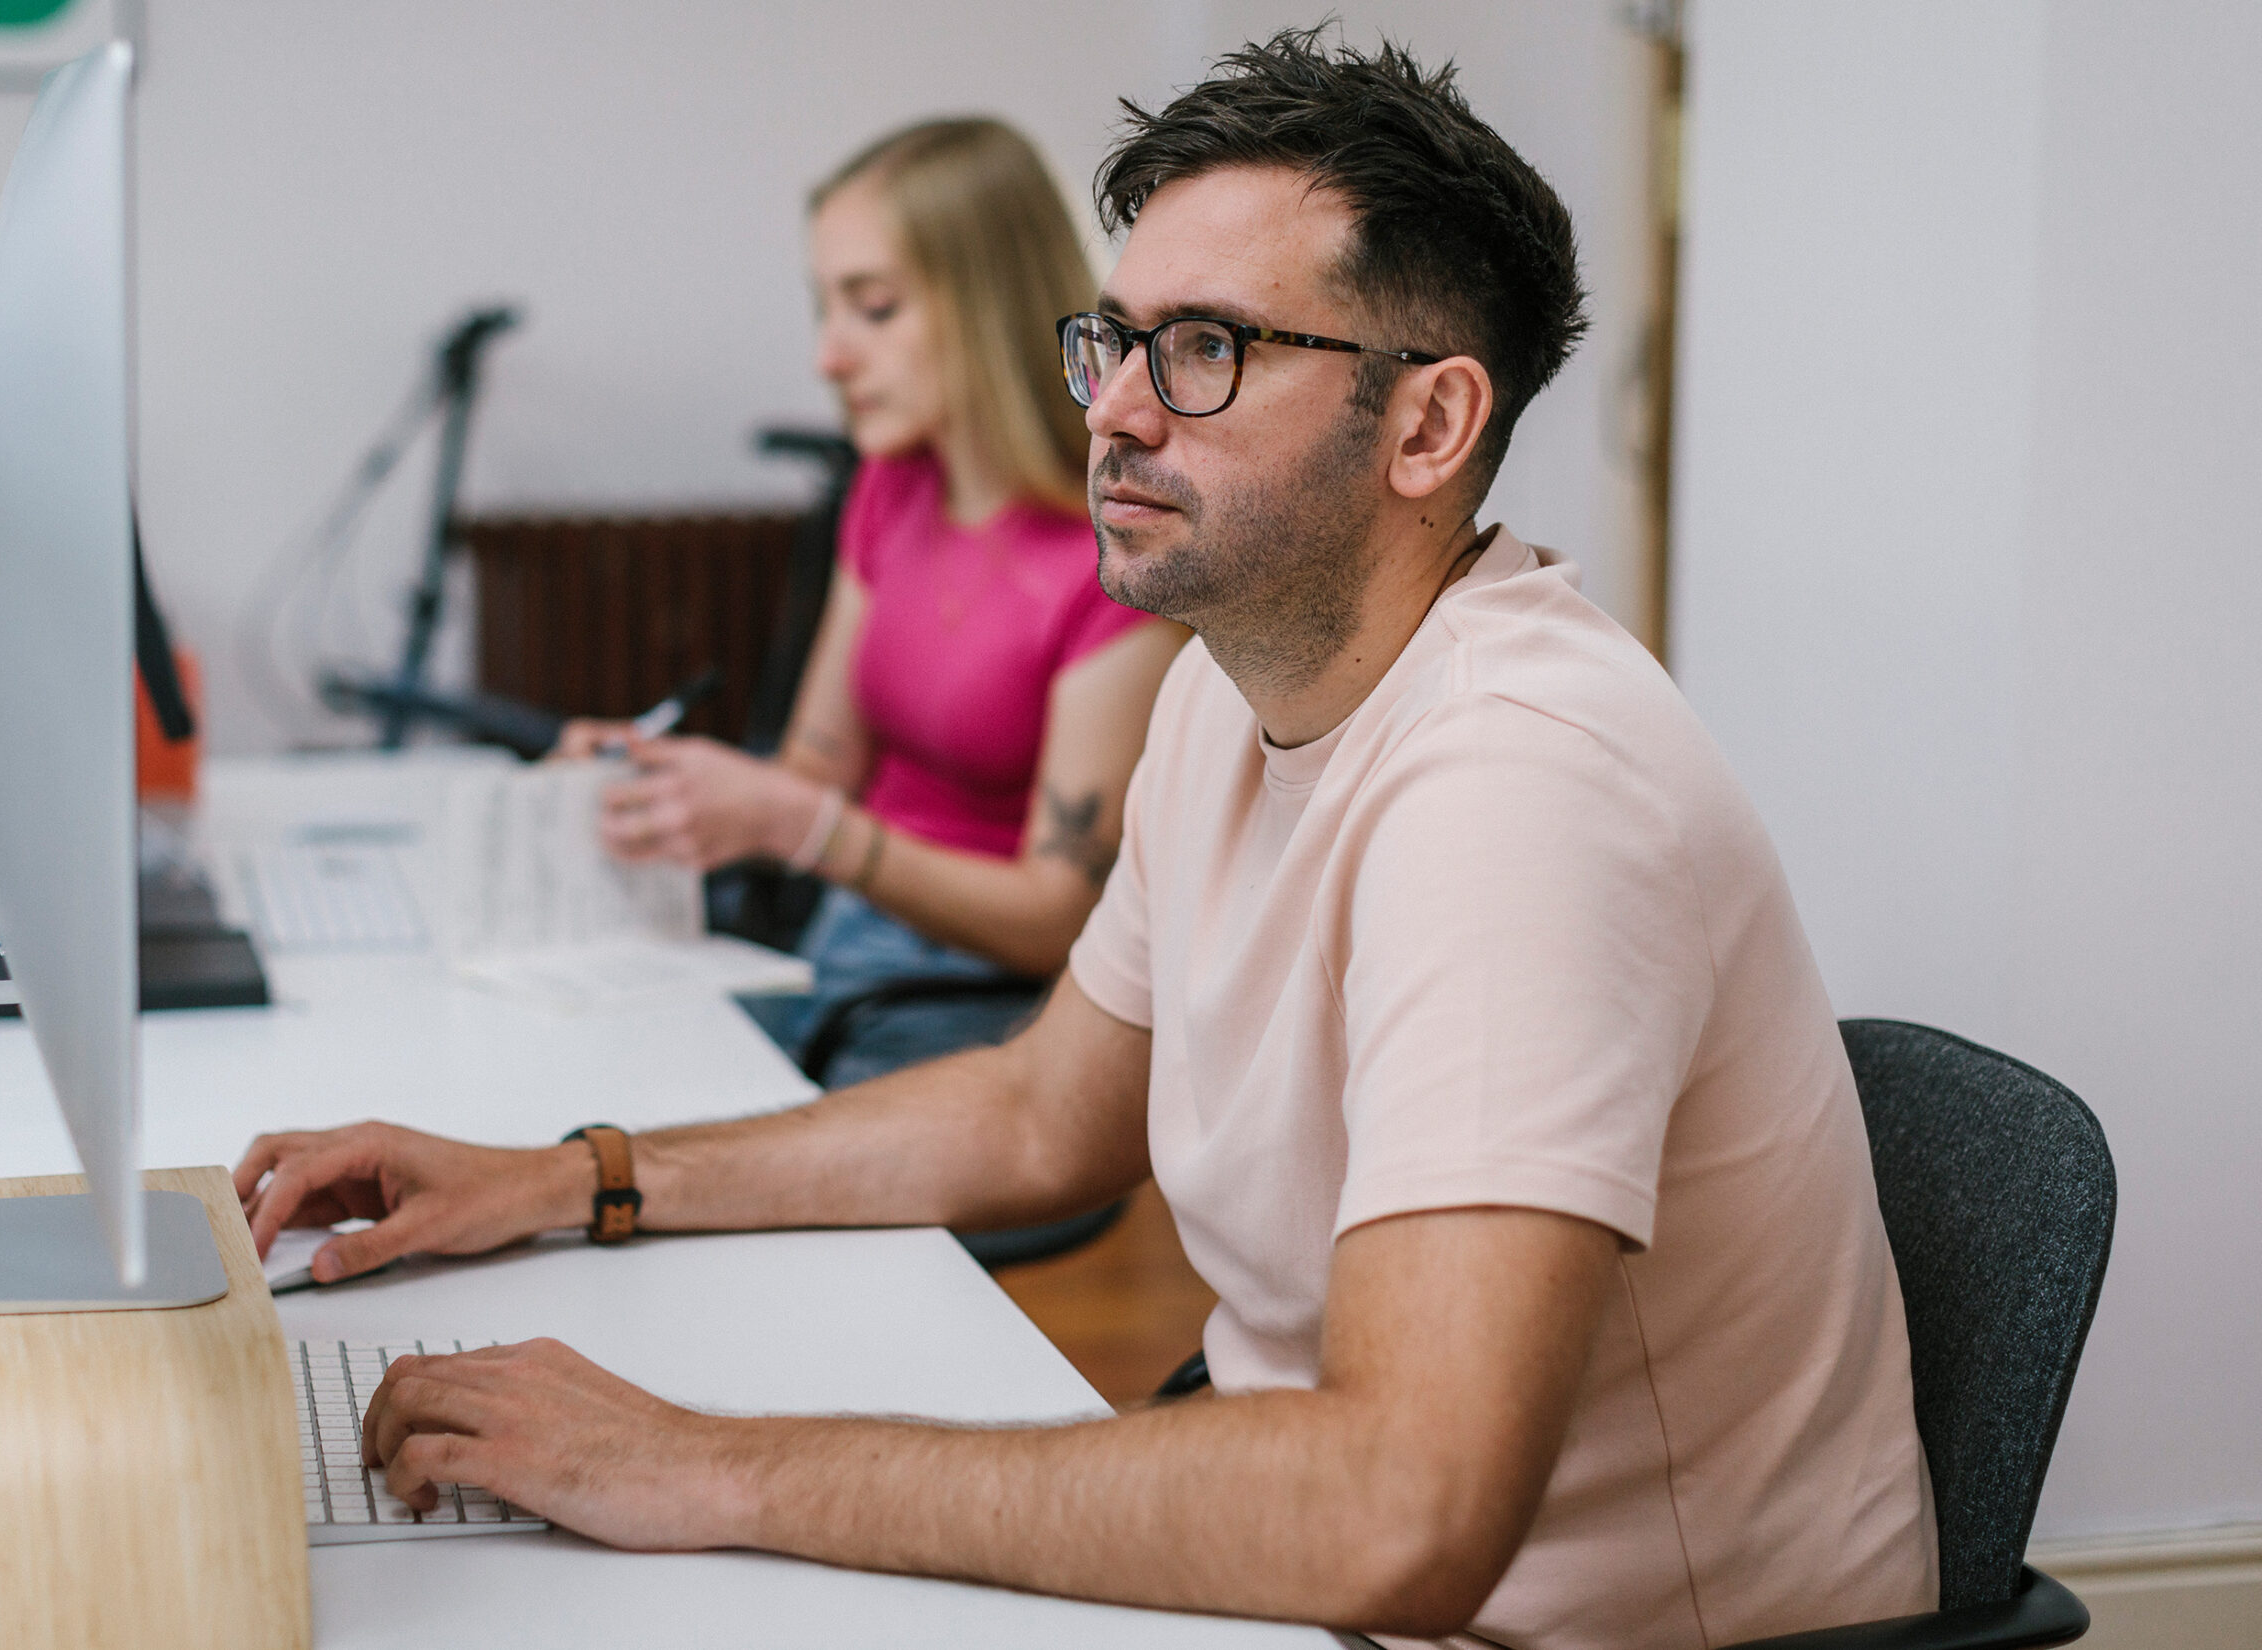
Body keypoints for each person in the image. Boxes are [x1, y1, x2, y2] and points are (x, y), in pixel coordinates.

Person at [240, 32, 1938, 1647]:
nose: (1116, 410)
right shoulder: (1228, 685)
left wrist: (708, 1462)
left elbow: (1405, 1511)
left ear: (1428, 427)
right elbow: (1046, 1114)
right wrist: (568, 1176)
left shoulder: (1524, 791)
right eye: (1110, 342)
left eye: (1205, 351)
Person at [554, 118, 1185, 1094]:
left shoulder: (1118, 556)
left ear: (992, 307)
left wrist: (808, 830)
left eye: (874, 309)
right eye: (825, 310)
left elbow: (1058, 916)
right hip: (842, 948)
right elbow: (816, 766)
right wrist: (665, 779)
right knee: (594, 1087)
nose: (828, 358)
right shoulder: (891, 489)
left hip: (983, 1006)